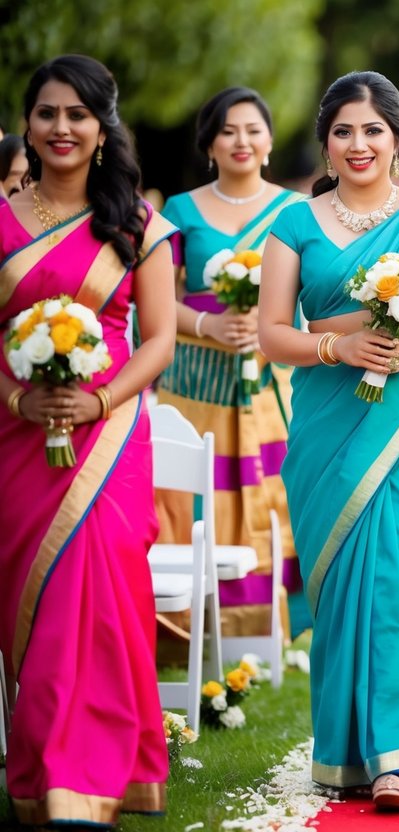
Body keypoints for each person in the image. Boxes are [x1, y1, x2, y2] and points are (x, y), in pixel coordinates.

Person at [258, 70, 399, 809]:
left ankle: (395, 755)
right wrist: (337, 350)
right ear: (325, 143)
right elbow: (273, 334)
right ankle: (345, 751)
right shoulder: (294, 222)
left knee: (397, 572)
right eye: (343, 131)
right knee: (344, 576)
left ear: (396, 138)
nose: (359, 144)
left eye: (373, 130)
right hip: (328, 420)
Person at [0, 54, 178, 827]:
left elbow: (161, 339)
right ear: (29, 127)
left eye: (78, 114)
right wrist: (19, 398)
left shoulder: (140, 225)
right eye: (47, 114)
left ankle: (88, 781)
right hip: (16, 435)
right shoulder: (0, 220)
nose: (61, 128)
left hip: (110, 441)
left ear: (102, 128)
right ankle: (43, 775)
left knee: (98, 597)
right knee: (34, 609)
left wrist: (99, 399)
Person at [155, 87, 308, 638]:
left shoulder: (294, 212)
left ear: (269, 143)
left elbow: (311, 299)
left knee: (275, 493)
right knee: (192, 497)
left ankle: (270, 626)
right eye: (228, 130)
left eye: (253, 129)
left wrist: (269, 329)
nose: (241, 140)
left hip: (271, 386)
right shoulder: (180, 211)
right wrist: (209, 325)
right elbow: (155, 302)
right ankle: (186, 628)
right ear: (209, 145)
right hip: (195, 388)